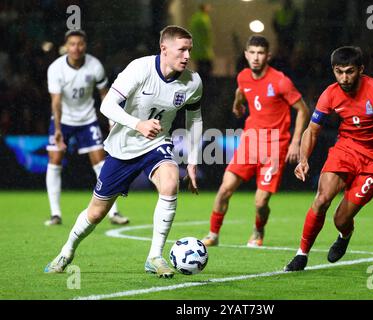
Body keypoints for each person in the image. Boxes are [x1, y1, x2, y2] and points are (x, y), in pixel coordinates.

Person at [44, 25, 203, 278]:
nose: (187, 56)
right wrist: (138, 124)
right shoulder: (139, 69)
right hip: (123, 148)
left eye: (189, 50)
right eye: (181, 49)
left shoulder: (193, 82)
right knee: (96, 213)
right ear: (164, 49)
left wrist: (193, 161)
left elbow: (195, 120)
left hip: (157, 145)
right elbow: (107, 105)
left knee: (171, 183)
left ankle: (155, 256)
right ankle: (67, 249)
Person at [284, 46, 373, 271]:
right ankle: (301, 255)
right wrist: (304, 159)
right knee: (321, 199)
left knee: (340, 219)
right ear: (333, 71)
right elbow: (313, 129)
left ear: (361, 70)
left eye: (349, 71)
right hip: (346, 149)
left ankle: (345, 235)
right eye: (339, 72)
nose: (344, 78)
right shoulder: (330, 94)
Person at [202, 35, 310, 247]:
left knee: (261, 202)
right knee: (225, 189)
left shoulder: (280, 81)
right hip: (250, 141)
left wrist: (296, 142)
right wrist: (237, 104)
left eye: (260, 53)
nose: (256, 57)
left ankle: (258, 231)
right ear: (246, 54)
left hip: (275, 145)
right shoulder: (243, 76)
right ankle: (213, 235)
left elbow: (303, 110)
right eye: (252, 53)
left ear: (268, 55)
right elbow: (241, 91)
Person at [45, 29, 129, 226]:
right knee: (55, 160)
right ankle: (55, 213)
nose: (76, 48)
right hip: (63, 119)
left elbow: (105, 95)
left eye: (80, 44)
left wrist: (112, 120)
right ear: (66, 47)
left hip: (87, 119)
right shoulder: (56, 68)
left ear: (85, 45)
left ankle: (113, 212)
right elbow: (56, 102)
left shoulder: (95, 66)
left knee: (101, 162)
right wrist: (57, 129)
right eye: (72, 44)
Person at [189, 3, 214, 82]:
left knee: (200, 69)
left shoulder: (195, 18)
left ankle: (201, 86)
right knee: (207, 70)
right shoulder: (204, 19)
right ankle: (206, 88)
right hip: (204, 49)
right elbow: (207, 35)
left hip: (197, 49)